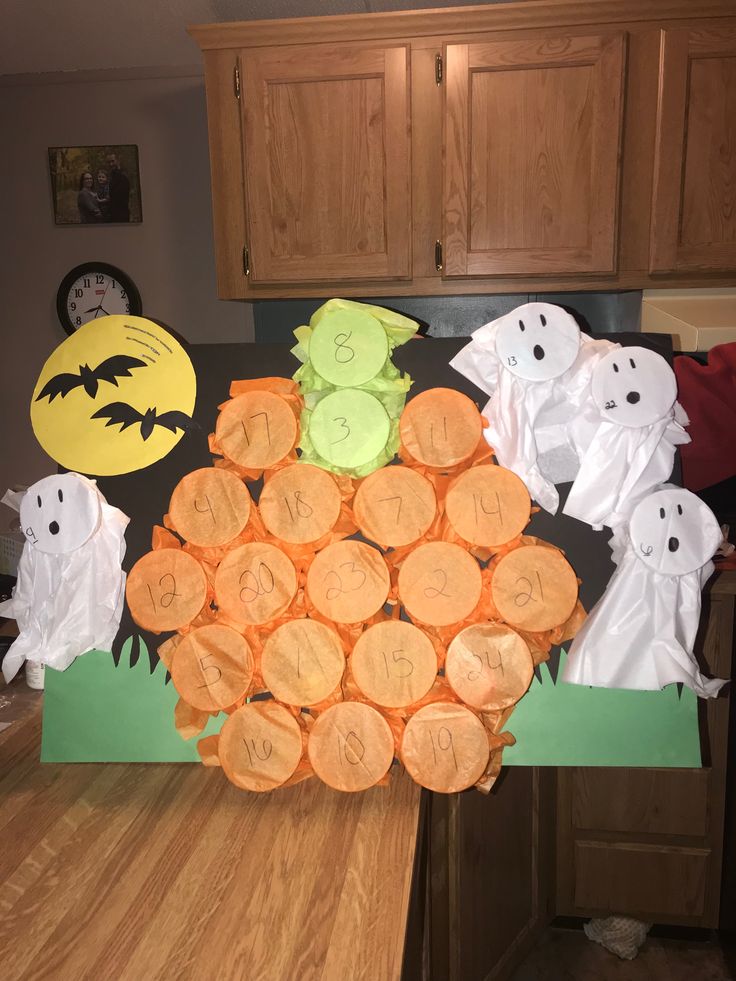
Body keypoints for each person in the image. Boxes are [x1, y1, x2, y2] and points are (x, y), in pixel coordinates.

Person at [106, 152, 130, 222]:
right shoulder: (112, 176)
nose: (111, 164)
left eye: (113, 161)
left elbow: (119, 198)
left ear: (118, 161)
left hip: (121, 215)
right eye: (109, 162)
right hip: (113, 214)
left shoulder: (123, 176)